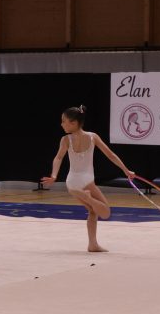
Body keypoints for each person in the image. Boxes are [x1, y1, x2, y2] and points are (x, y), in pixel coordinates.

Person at [41, 105, 134, 253]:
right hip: (87, 181)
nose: (61, 124)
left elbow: (58, 158)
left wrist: (54, 175)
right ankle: (89, 198)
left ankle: (93, 244)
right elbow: (110, 155)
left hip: (72, 183)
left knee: (92, 211)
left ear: (73, 123)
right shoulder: (92, 137)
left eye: (63, 121)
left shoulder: (65, 140)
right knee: (105, 212)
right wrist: (126, 170)